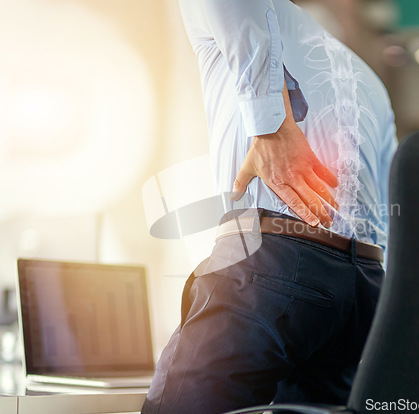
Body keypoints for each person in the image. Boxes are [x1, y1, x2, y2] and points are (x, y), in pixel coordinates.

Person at [142, 0, 398, 413]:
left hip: (275, 263)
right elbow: (390, 200)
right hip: (363, 288)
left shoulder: (263, 12)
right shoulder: (370, 81)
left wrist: (272, 127)